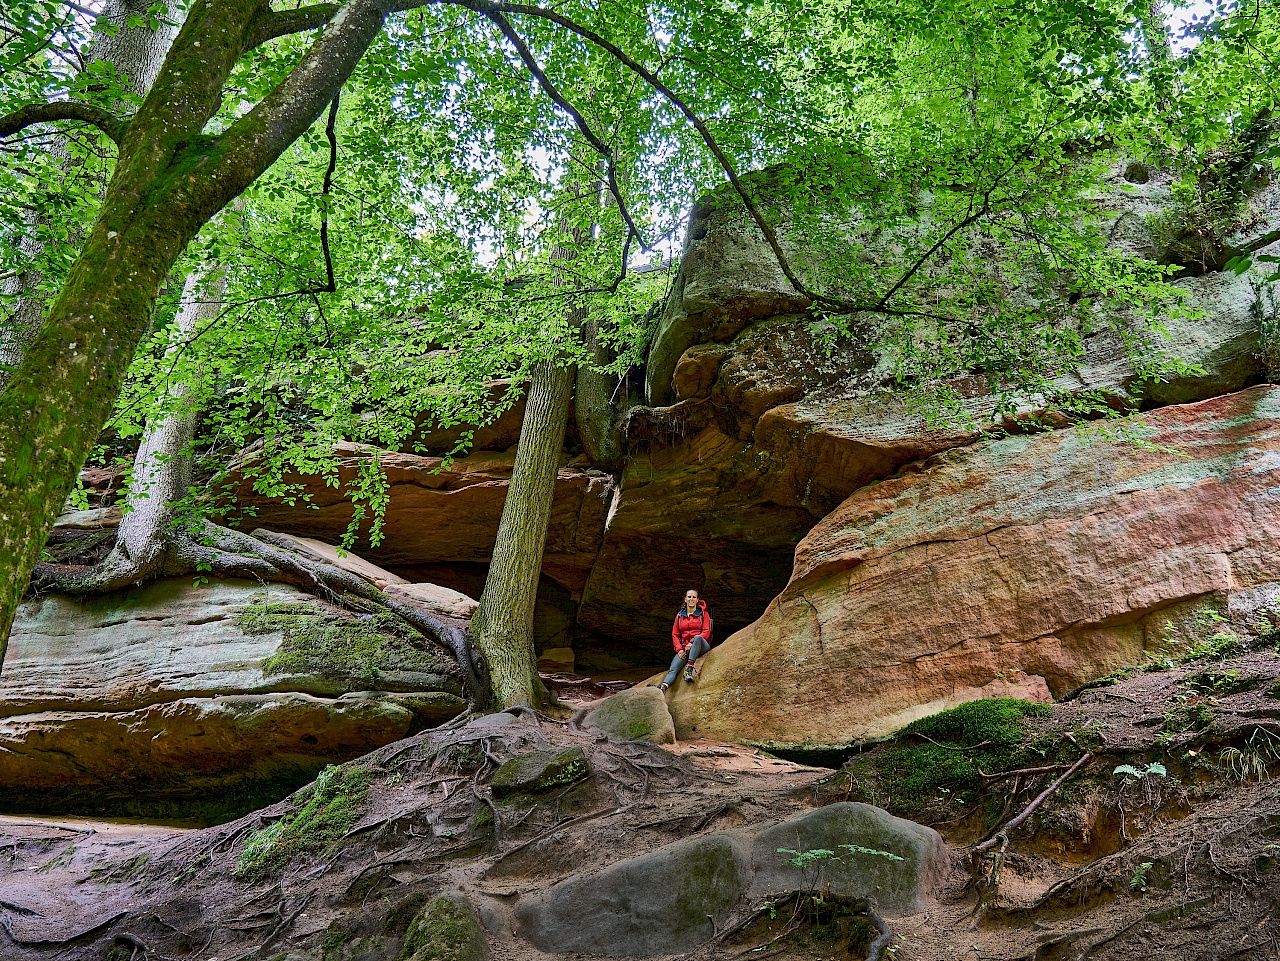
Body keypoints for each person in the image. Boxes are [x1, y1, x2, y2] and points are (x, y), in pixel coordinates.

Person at [660, 588, 711, 692]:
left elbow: (706, 632)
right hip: (685, 648)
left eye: (694, 597)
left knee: (697, 638)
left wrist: (691, 643)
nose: (691, 599)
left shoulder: (703, 614)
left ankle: (689, 668)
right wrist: (679, 649)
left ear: (697, 600)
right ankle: (662, 688)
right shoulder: (679, 616)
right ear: (685, 599)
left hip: (701, 645)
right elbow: (675, 634)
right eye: (689, 597)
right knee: (673, 668)